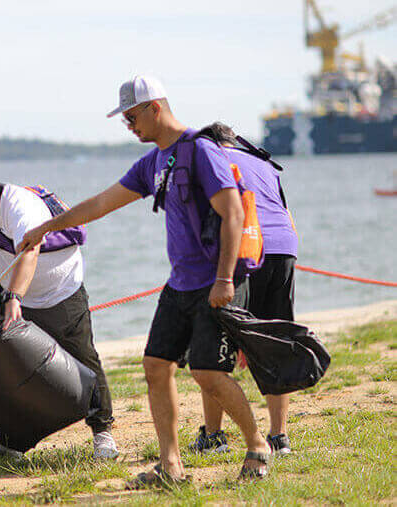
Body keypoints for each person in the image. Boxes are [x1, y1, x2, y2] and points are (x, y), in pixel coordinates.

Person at [19, 75, 273, 486]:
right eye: (124, 119)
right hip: (181, 284)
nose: (129, 124)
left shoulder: (200, 149)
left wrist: (225, 279)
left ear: (156, 107)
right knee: (156, 366)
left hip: (216, 281)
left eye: (132, 116)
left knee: (207, 373)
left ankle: (257, 444)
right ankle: (171, 466)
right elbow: (102, 203)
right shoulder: (154, 162)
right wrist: (47, 227)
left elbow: (234, 214)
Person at [0, 151, 118, 462]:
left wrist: (14, 297)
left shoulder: (18, 204)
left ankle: (102, 433)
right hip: (14, 296)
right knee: (1, 371)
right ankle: (7, 442)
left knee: (85, 361)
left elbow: (29, 251)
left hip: (60, 291)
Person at [189, 122, 299, 456]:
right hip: (283, 246)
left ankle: (213, 436)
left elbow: (208, 218)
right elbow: (284, 213)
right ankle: (279, 437)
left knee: (213, 343)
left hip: (244, 247)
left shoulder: (208, 160)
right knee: (275, 341)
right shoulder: (264, 161)